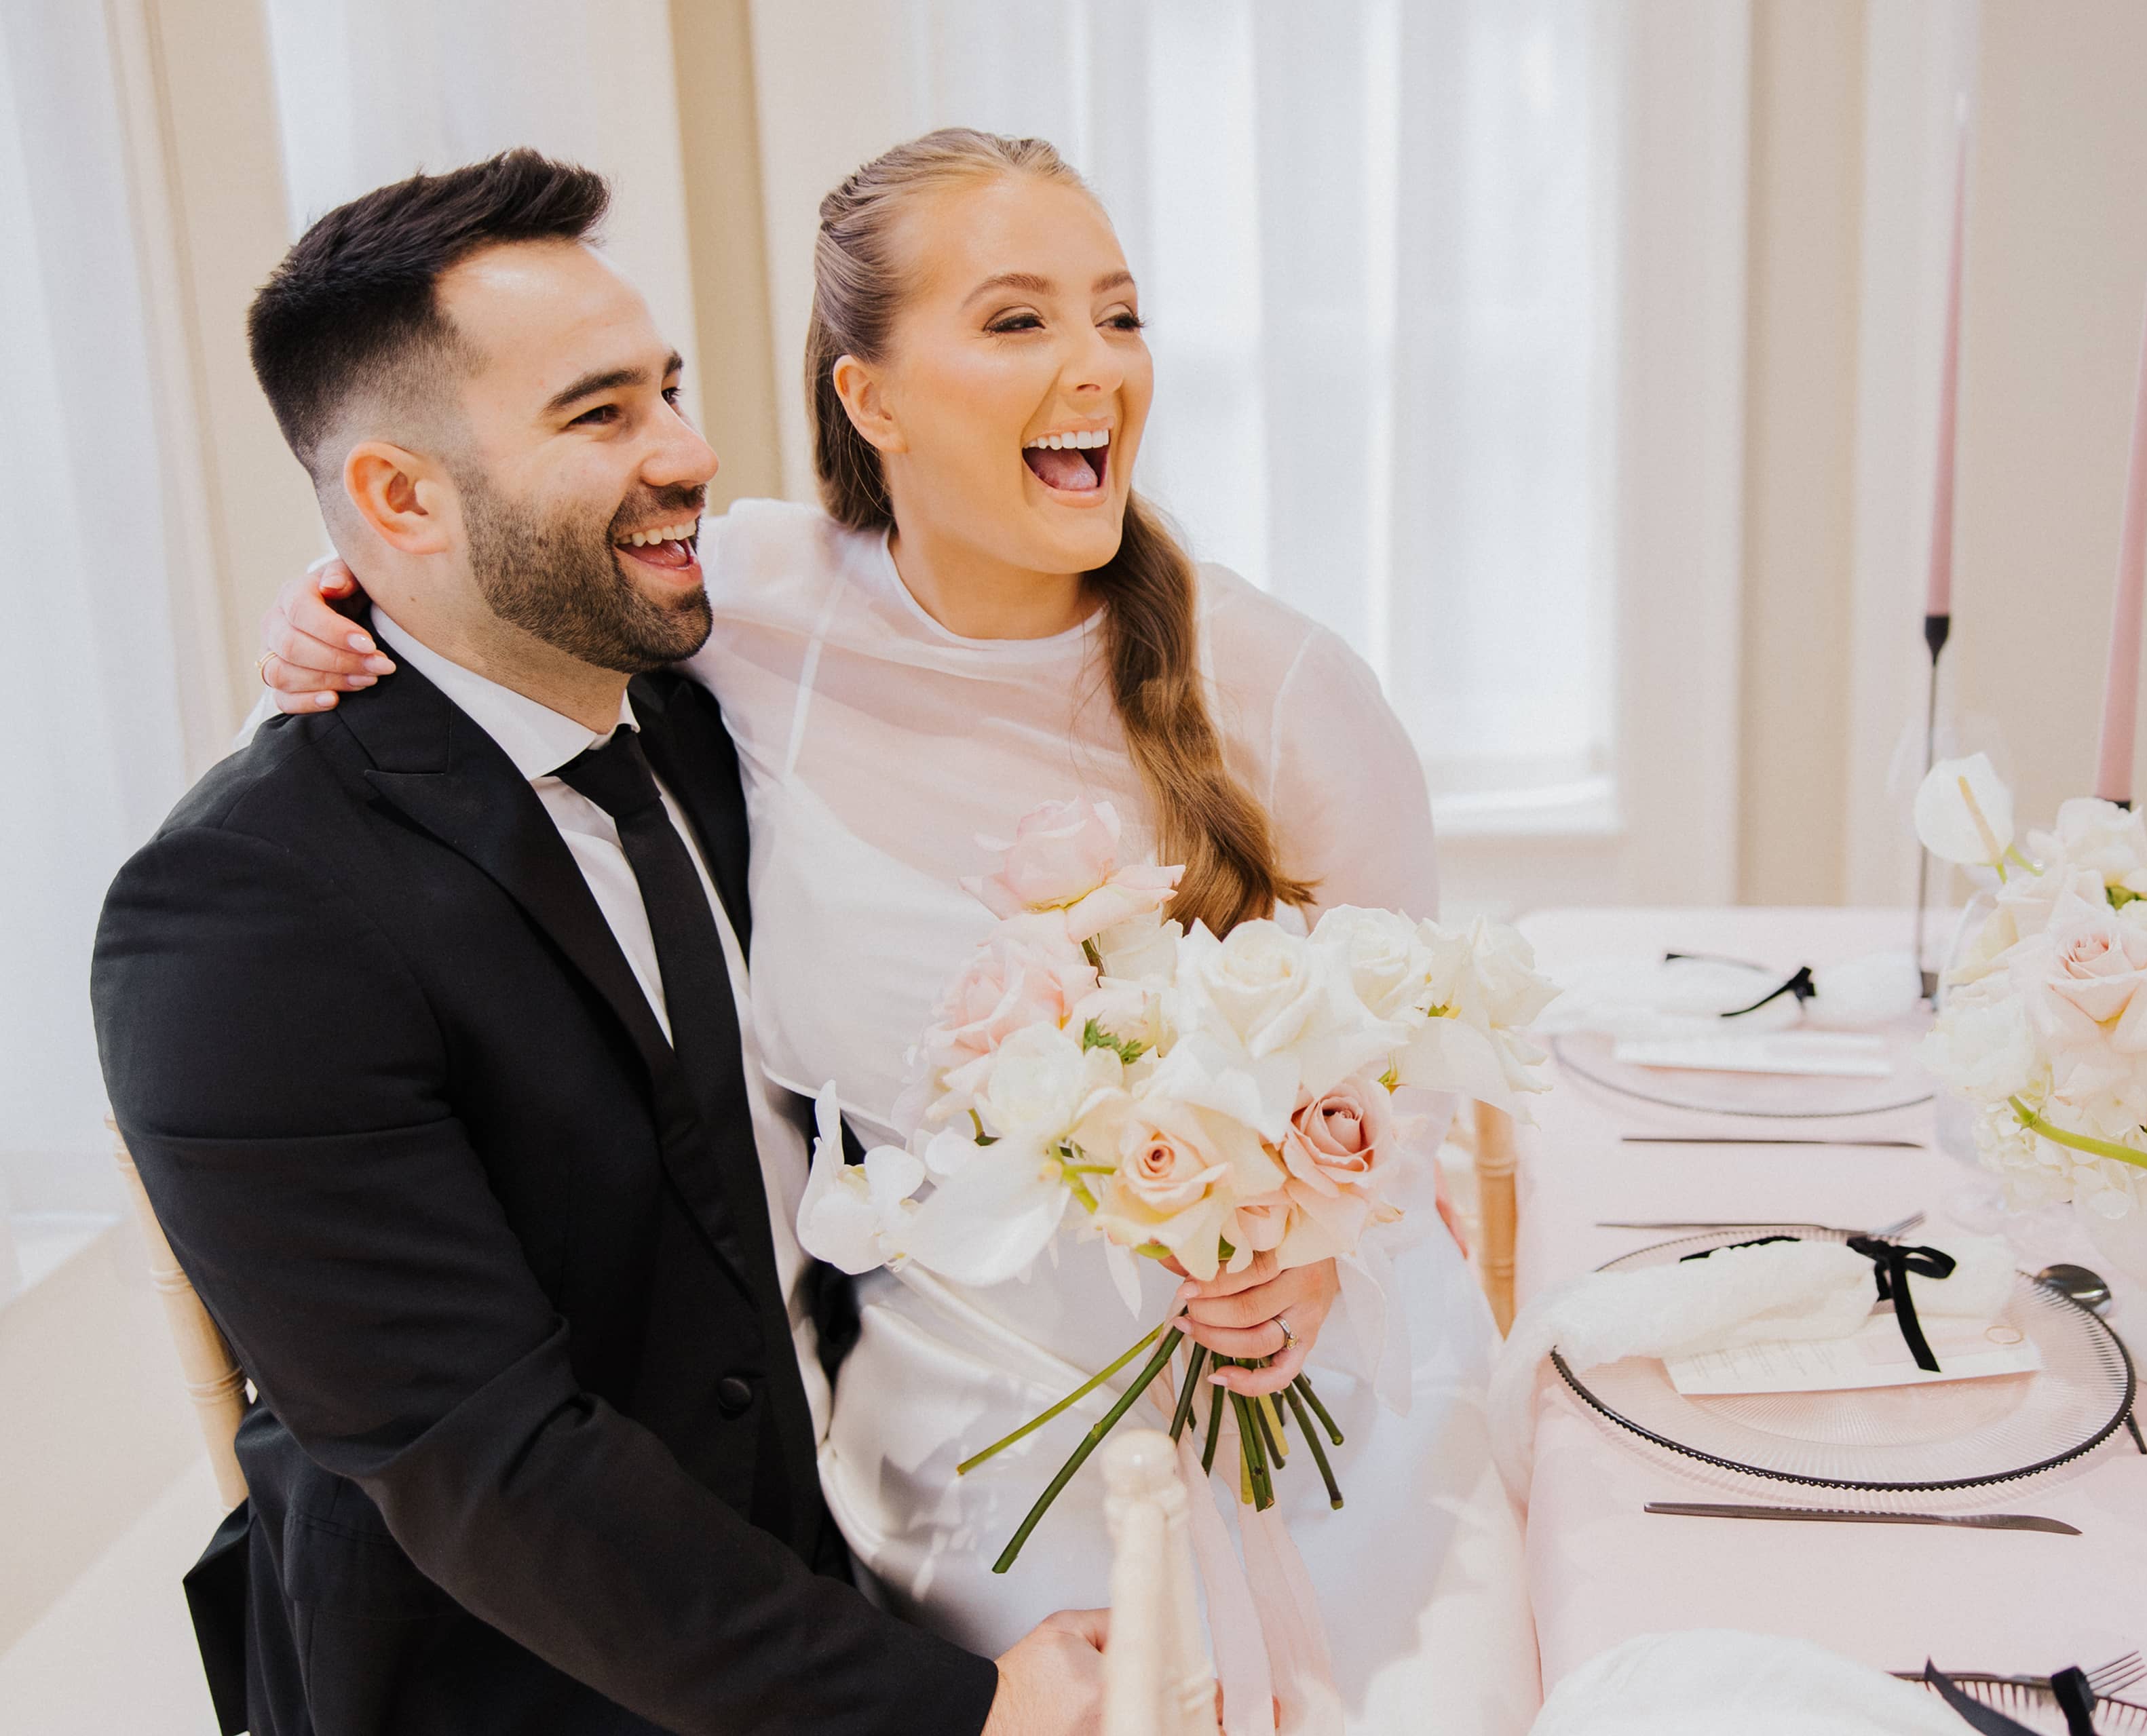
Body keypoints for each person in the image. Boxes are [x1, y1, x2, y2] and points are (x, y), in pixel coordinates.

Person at [254, 130, 1537, 1733]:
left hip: (1286, 1405)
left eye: (1119, 315)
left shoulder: (1291, 695)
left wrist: (1308, 1267)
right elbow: (512, 571)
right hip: (938, 1450)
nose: (1098, 368)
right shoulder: (755, 608)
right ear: (871, 398)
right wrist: (339, 594)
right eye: (1017, 321)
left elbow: (1402, 1083)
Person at [93, 150, 1105, 1736]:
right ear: (399, 499)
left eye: (671, 390)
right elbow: (494, 1471)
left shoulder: (704, 725)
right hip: (527, 1679)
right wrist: (959, 1712)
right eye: (599, 414)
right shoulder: (240, 919)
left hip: (861, 1532)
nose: (690, 453)